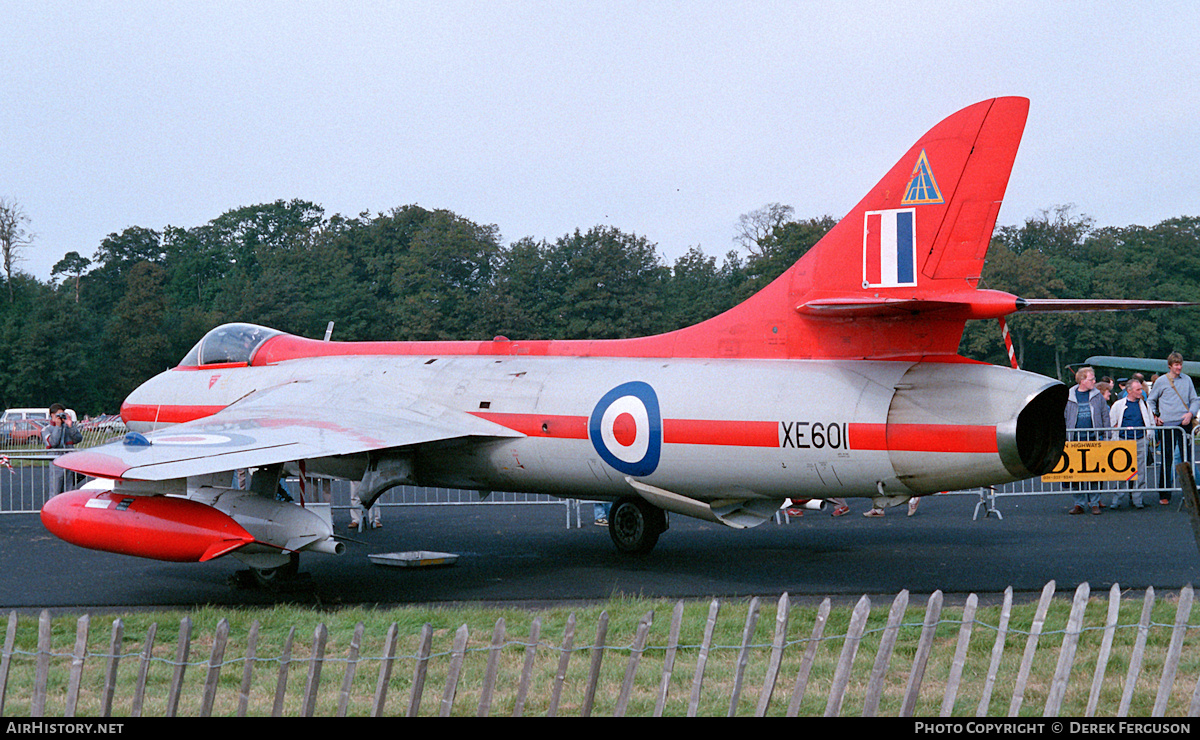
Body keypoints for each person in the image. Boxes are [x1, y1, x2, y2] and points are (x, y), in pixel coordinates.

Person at [1147, 352, 1199, 503]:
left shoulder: (1187, 380)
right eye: (1176, 365)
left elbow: (1194, 399)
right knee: (1166, 459)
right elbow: (1151, 400)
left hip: (1185, 424)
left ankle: (1189, 493)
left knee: (1187, 459)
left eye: (1180, 364)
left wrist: (1190, 413)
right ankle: (1164, 494)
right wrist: (1156, 416)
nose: (1179, 367)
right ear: (1170, 366)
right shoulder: (1162, 381)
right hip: (1168, 425)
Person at [1064, 367, 1110, 515]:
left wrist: (1107, 435)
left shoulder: (1097, 396)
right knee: (1075, 474)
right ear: (1082, 380)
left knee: (1095, 473)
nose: (1094, 381)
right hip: (1074, 440)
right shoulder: (1069, 396)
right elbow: (1063, 417)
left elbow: (1105, 416)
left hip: (1094, 439)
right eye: (1091, 379)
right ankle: (1079, 503)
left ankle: (1095, 502)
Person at [1109, 377, 1154, 509]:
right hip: (1123, 441)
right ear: (1129, 391)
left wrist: (1148, 436)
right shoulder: (1118, 405)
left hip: (1140, 440)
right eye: (1138, 389)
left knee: (1140, 472)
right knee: (1121, 471)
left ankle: (1137, 500)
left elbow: (1150, 421)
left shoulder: (1145, 405)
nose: (1141, 392)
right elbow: (1112, 423)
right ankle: (1117, 499)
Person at [42, 403, 82, 496]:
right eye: (59, 415)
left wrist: (70, 426)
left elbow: (78, 439)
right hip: (56, 463)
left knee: (68, 491)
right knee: (55, 491)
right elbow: (53, 442)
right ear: (52, 415)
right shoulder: (46, 430)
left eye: (62, 414)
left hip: (68, 462)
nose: (61, 417)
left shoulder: (68, 428)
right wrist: (58, 426)